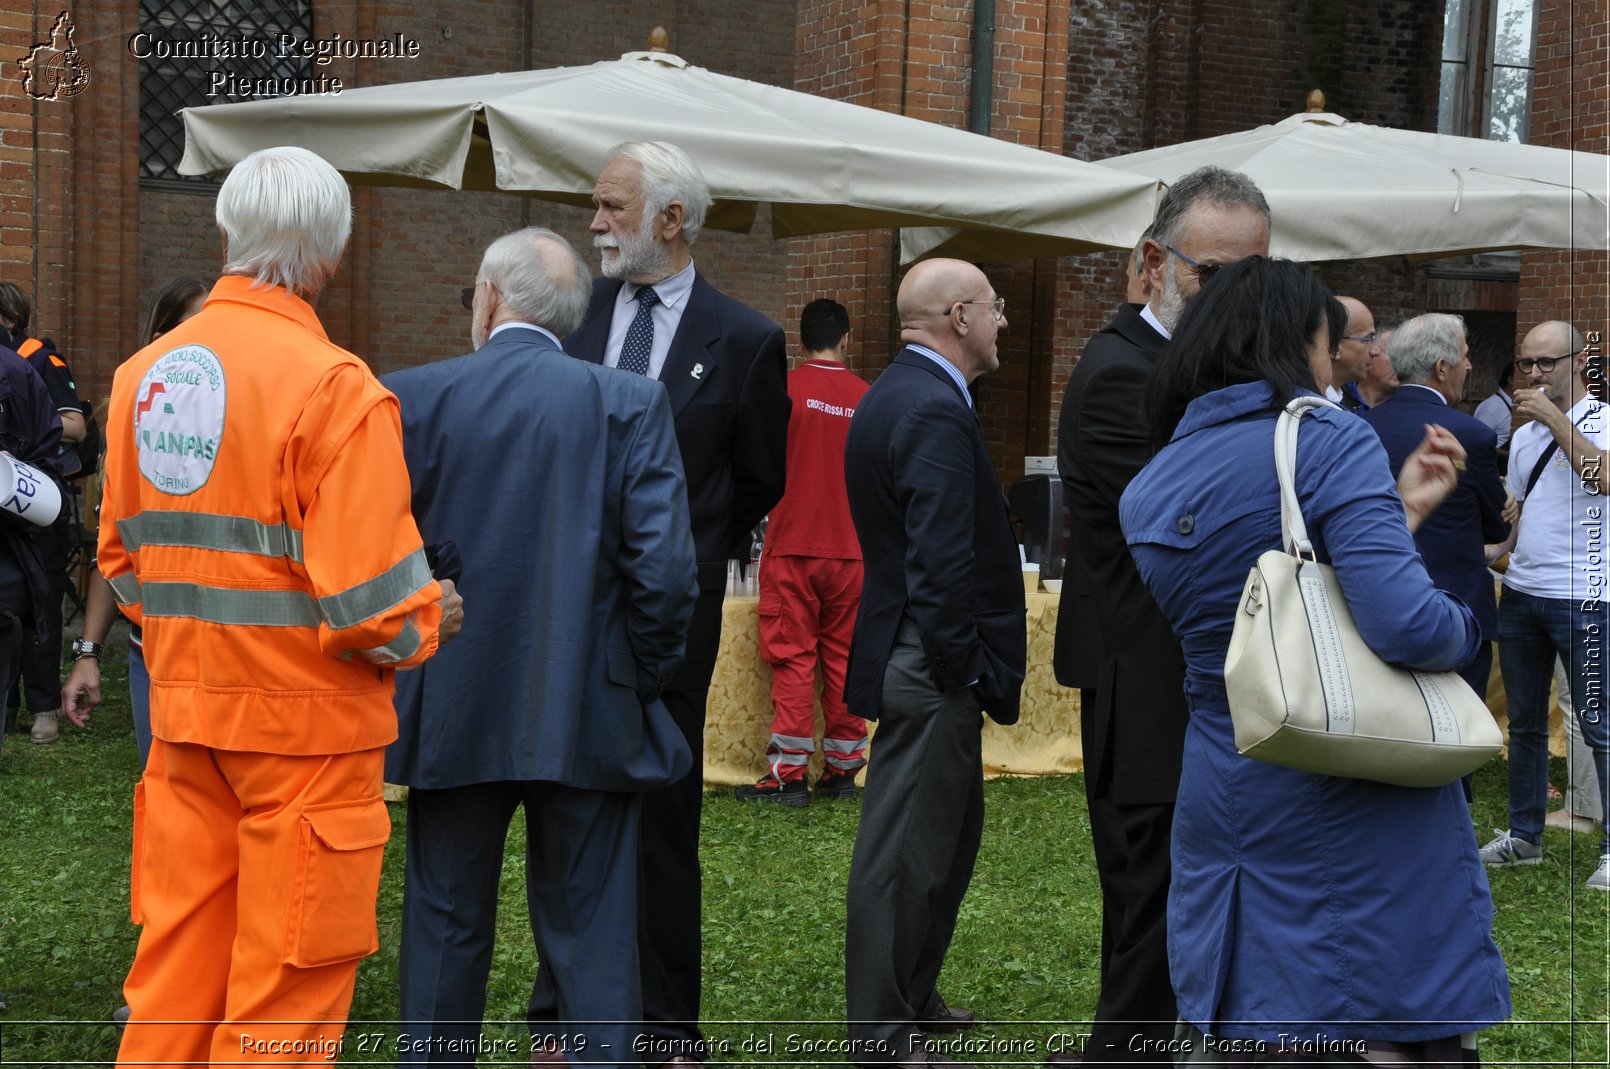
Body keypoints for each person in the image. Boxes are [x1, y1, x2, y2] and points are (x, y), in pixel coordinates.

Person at [101, 146, 462, 1065]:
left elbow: (123, 565)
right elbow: (372, 609)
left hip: (185, 722)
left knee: (174, 977)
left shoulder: (139, 377)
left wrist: (202, 640)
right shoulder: (337, 390)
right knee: (282, 1000)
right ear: (331, 257)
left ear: (225, 233)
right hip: (310, 741)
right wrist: (433, 617)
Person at [1121, 256, 1510, 1065]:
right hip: (1346, 782)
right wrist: (1471, 625)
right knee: (1378, 1019)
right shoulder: (1326, 436)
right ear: (1298, 342)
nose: (1341, 363)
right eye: (1334, 344)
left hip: (1228, 770)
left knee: (1257, 1018)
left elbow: (1268, 601)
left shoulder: (1152, 480)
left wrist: (1393, 511)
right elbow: (1403, 624)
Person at [384, 227, 696, 1065]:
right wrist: (636, 674)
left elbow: (373, 558)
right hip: (588, 698)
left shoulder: (410, 397)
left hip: (451, 694)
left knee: (447, 924)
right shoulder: (628, 402)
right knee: (593, 929)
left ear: (488, 296)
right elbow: (665, 576)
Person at [552, 139, 788, 1063]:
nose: (595, 223)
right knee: (566, 807)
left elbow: (760, 479)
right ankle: (561, 1012)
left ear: (671, 220)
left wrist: (682, 559)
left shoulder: (746, 338)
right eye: (598, 206)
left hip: (668, 621)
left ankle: (663, 1025)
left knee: (660, 820)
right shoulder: (574, 313)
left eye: (611, 207)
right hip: (566, 607)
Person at [1052, 165, 1269, 1066]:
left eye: (1254, 278)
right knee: (1150, 900)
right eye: (1216, 277)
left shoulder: (1193, 372)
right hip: (1147, 686)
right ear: (1153, 263)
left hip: (1192, 685)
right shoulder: (1121, 374)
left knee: (1180, 896)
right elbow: (1196, 527)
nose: (1237, 300)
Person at [841, 258, 1025, 1069]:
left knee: (943, 843)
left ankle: (912, 999)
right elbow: (939, 562)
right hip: (930, 657)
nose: (1004, 322)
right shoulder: (929, 407)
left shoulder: (896, 393)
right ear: (958, 314)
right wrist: (965, 666)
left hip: (918, 651)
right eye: (994, 308)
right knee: (905, 853)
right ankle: (884, 1036)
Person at [1480, 320, 1610, 890]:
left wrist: (1557, 420)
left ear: (1580, 359)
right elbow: (1520, 512)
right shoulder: (1525, 435)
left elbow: (1602, 477)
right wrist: (1494, 549)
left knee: (1599, 724)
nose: (1533, 375)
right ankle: (1525, 836)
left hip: (1586, 597)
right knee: (1527, 725)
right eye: (1526, 365)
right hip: (1525, 591)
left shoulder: (1602, 422)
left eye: (1546, 364)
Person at [64, 276, 210, 770]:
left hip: (232, 654)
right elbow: (114, 549)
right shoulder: (136, 415)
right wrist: (87, 652)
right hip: (153, 651)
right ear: (158, 340)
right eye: (192, 327)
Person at [737, 298, 869, 806]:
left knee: (793, 658)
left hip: (793, 546)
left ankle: (788, 775)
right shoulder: (868, 398)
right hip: (854, 552)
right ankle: (842, 768)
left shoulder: (784, 394)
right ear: (847, 339)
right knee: (842, 659)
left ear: (801, 340)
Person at [1361, 313, 1509, 700]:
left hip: (1377, 597)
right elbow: (1496, 528)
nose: (1470, 364)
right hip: (1453, 611)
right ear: (1442, 368)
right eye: (1465, 355)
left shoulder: (1359, 426)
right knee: (1456, 736)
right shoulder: (1471, 433)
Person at [0, 282, 87, 744]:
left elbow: (73, 423)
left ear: (9, 319)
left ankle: (44, 706)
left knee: (40, 604)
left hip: (36, 497)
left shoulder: (39, 358)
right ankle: (9, 706)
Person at [0, 338, 70, 764]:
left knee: (33, 618)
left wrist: (12, 471)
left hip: (15, 542)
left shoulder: (23, 369)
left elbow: (49, 465)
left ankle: (42, 705)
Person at [1326, 295, 1376, 408]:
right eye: (1367, 339)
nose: (1375, 351)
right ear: (1333, 347)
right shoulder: (1307, 407)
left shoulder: (1347, 401)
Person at [1351, 326, 1399, 409]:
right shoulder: (1337, 397)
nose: (1403, 362)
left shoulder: (1411, 409)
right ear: (1371, 352)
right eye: (1394, 353)